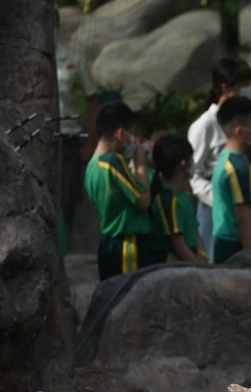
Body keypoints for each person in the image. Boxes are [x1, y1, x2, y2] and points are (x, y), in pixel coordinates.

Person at [188, 56, 251, 261]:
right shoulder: (205, 125)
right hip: (214, 208)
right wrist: (219, 198)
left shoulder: (249, 119)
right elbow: (193, 174)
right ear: (226, 87)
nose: (248, 89)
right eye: (243, 85)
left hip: (243, 204)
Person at [84, 101, 152, 280]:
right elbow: (143, 201)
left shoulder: (92, 165)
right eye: (131, 134)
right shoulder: (112, 162)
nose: (132, 141)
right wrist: (141, 166)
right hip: (127, 247)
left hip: (108, 243)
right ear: (121, 134)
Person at [55, 9, 99, 244]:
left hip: (67, 137)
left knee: (68, 193)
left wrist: (90, 141)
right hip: (38, 137)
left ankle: (65, 238)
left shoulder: (73, 60)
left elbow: (93, 99)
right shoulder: (26, 59)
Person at [211, 96, 251, 264]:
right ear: (240, 132)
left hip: (231, 246)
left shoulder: (227, 160)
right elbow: (243, 219)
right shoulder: (239, 168)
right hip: (238, 248)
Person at [149, 135, 203, 263]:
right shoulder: (168, 200)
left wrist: (203, 256)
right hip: (174, 267)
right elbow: (178, 245)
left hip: (191, 262)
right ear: (183, 163)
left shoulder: (183, 196)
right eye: (191, 159)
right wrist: (199, 267)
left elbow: (195, 232)